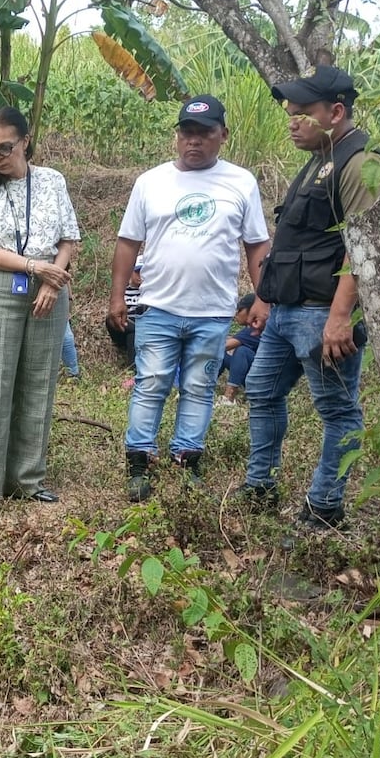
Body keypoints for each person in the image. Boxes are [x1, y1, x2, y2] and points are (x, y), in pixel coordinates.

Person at [109, 95, 270, 502]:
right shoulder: (151, 182)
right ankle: (139, 461)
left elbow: (256, 247)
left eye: (204, 133)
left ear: (223, 136)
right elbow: (128, 242)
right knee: (151, 383)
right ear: (177, 136)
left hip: (213, 312)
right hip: (158, 306)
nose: (193, 142)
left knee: (199, 387)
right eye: (187, 133)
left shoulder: (241, 182)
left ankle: (187, 459)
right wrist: (117, 297)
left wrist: (264, 297)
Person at [242, 66, 379, 529]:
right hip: (286, 310)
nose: (292, 121)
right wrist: (265, 298)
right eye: (290, 113)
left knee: (339, 412)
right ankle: (259, 486)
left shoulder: (358, 161)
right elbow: (292, 240)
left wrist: (341, 315)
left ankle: (324, 508)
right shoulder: (320, 157)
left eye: (303, 113)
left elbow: (366, 247)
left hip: (323, 312)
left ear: (336, 112)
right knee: (260, 391)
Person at [0, 106, 80, 518]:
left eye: (5, 148)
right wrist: (33, 267)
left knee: (39, 382)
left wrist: (52, 278)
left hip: (50, 287)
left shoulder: (52, 181)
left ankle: (28, 480)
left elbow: (68, 238)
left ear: (25, 142)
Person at [217, 293, 260, 404]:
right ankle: (202, 385)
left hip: (264, 378)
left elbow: (223, 346)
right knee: (220, 355)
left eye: (240, 309)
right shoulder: (251, 329)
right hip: (255, 371)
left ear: (252, 310)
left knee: (241, 352)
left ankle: (229, 397)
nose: (236, 314)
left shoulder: (256, 330)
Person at [107, 254, 146, 374]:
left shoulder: (150, 292)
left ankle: (133, 369)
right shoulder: (122, 291)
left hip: (141, 331)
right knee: (110, 319)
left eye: (143, 272)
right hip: (122, 327)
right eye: (137, 272)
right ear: (131, 272)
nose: (140, 276)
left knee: (133, 333)